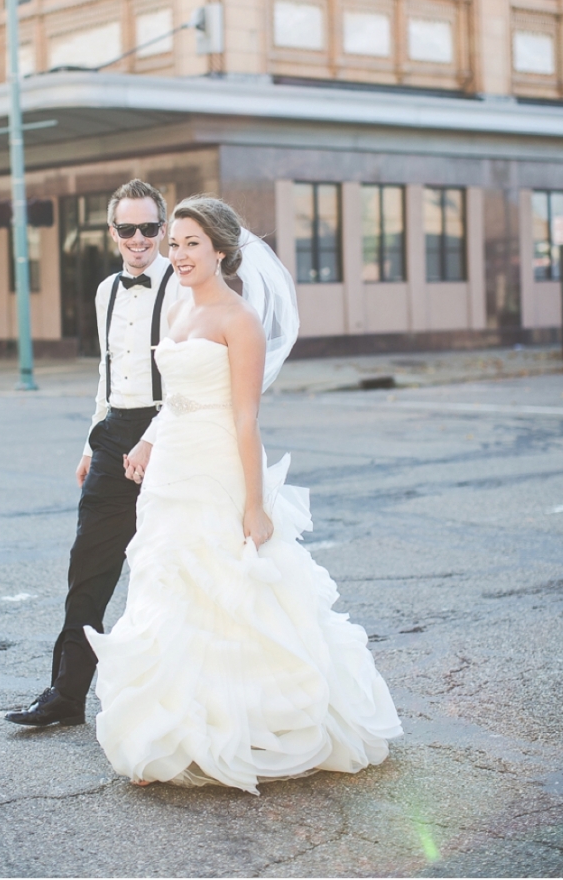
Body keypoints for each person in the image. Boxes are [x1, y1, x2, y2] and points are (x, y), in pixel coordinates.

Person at [86, 196, 402, 793]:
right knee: (171, 588)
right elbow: (174, 397)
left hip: (217, 467)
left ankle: (248, 725)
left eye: (190, 244)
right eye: (172, 243)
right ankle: (177, 727)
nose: (176, 255)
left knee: (226, 592)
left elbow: (245, 420)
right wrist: (149, 441)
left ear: (222, 250)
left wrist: (254, 505)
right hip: (171, 467)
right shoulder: (177, 307)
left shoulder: (240, 320)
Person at [5, 180, 183, 727]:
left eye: (149, 228)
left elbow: (188, 381)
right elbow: (106, 375)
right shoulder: (107, 290)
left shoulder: (182, 287)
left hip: (172, 435)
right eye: (127, 229)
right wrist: (92, 441)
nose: (138, 239)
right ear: (112, 233)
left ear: (163, 229)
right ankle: (66, 695)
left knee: (178, 573)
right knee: (88, 569)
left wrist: (152, 439)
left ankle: (185, 701)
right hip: (113, 436)